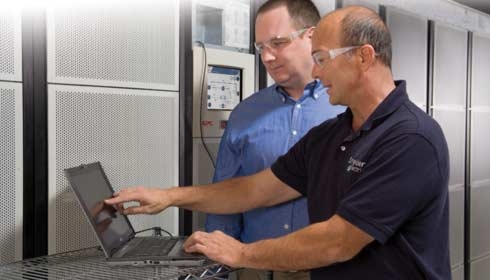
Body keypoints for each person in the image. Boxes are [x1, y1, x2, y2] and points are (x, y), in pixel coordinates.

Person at [106, 6, 451, 280]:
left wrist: (241, 253)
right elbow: (254, 190)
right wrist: (168, 197)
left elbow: (339, 240)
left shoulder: (410, 139)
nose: (316, 74)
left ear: (363, 57)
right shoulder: (331, 136)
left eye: (322, 59)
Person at [205, 0, 344, 279]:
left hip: (328, 270)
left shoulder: (346, 107)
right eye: (260, 48)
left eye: (278, 43)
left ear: (312, 36)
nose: (267, 57)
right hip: (255, 268)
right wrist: (214, 272)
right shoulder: (245, 114)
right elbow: (226, 199)